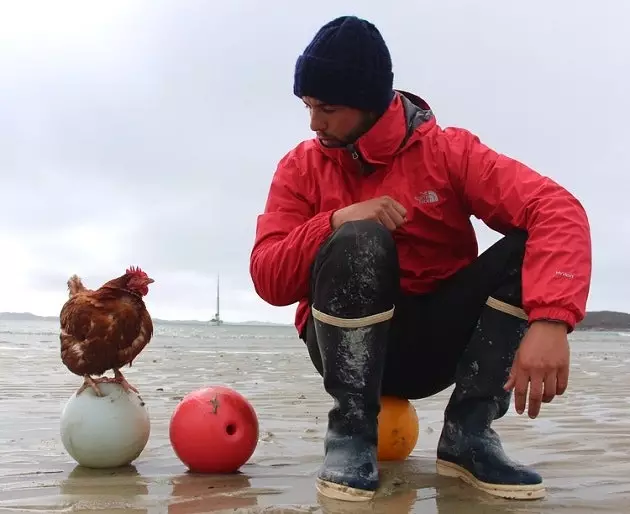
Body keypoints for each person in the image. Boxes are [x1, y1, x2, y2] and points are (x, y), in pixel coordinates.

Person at [249, 15, 592, 503]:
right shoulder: (300, 166)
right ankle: (350, 434)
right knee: (359, 237)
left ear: (370, 102)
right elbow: (267, 277)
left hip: (433, 346)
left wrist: (552, 319)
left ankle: (469, 436)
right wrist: (336, 220)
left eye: (327, 108)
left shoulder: (449, 152)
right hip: (340, 349)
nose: (313, 122)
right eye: (306, 106)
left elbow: (558, 208)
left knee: (526, 243)